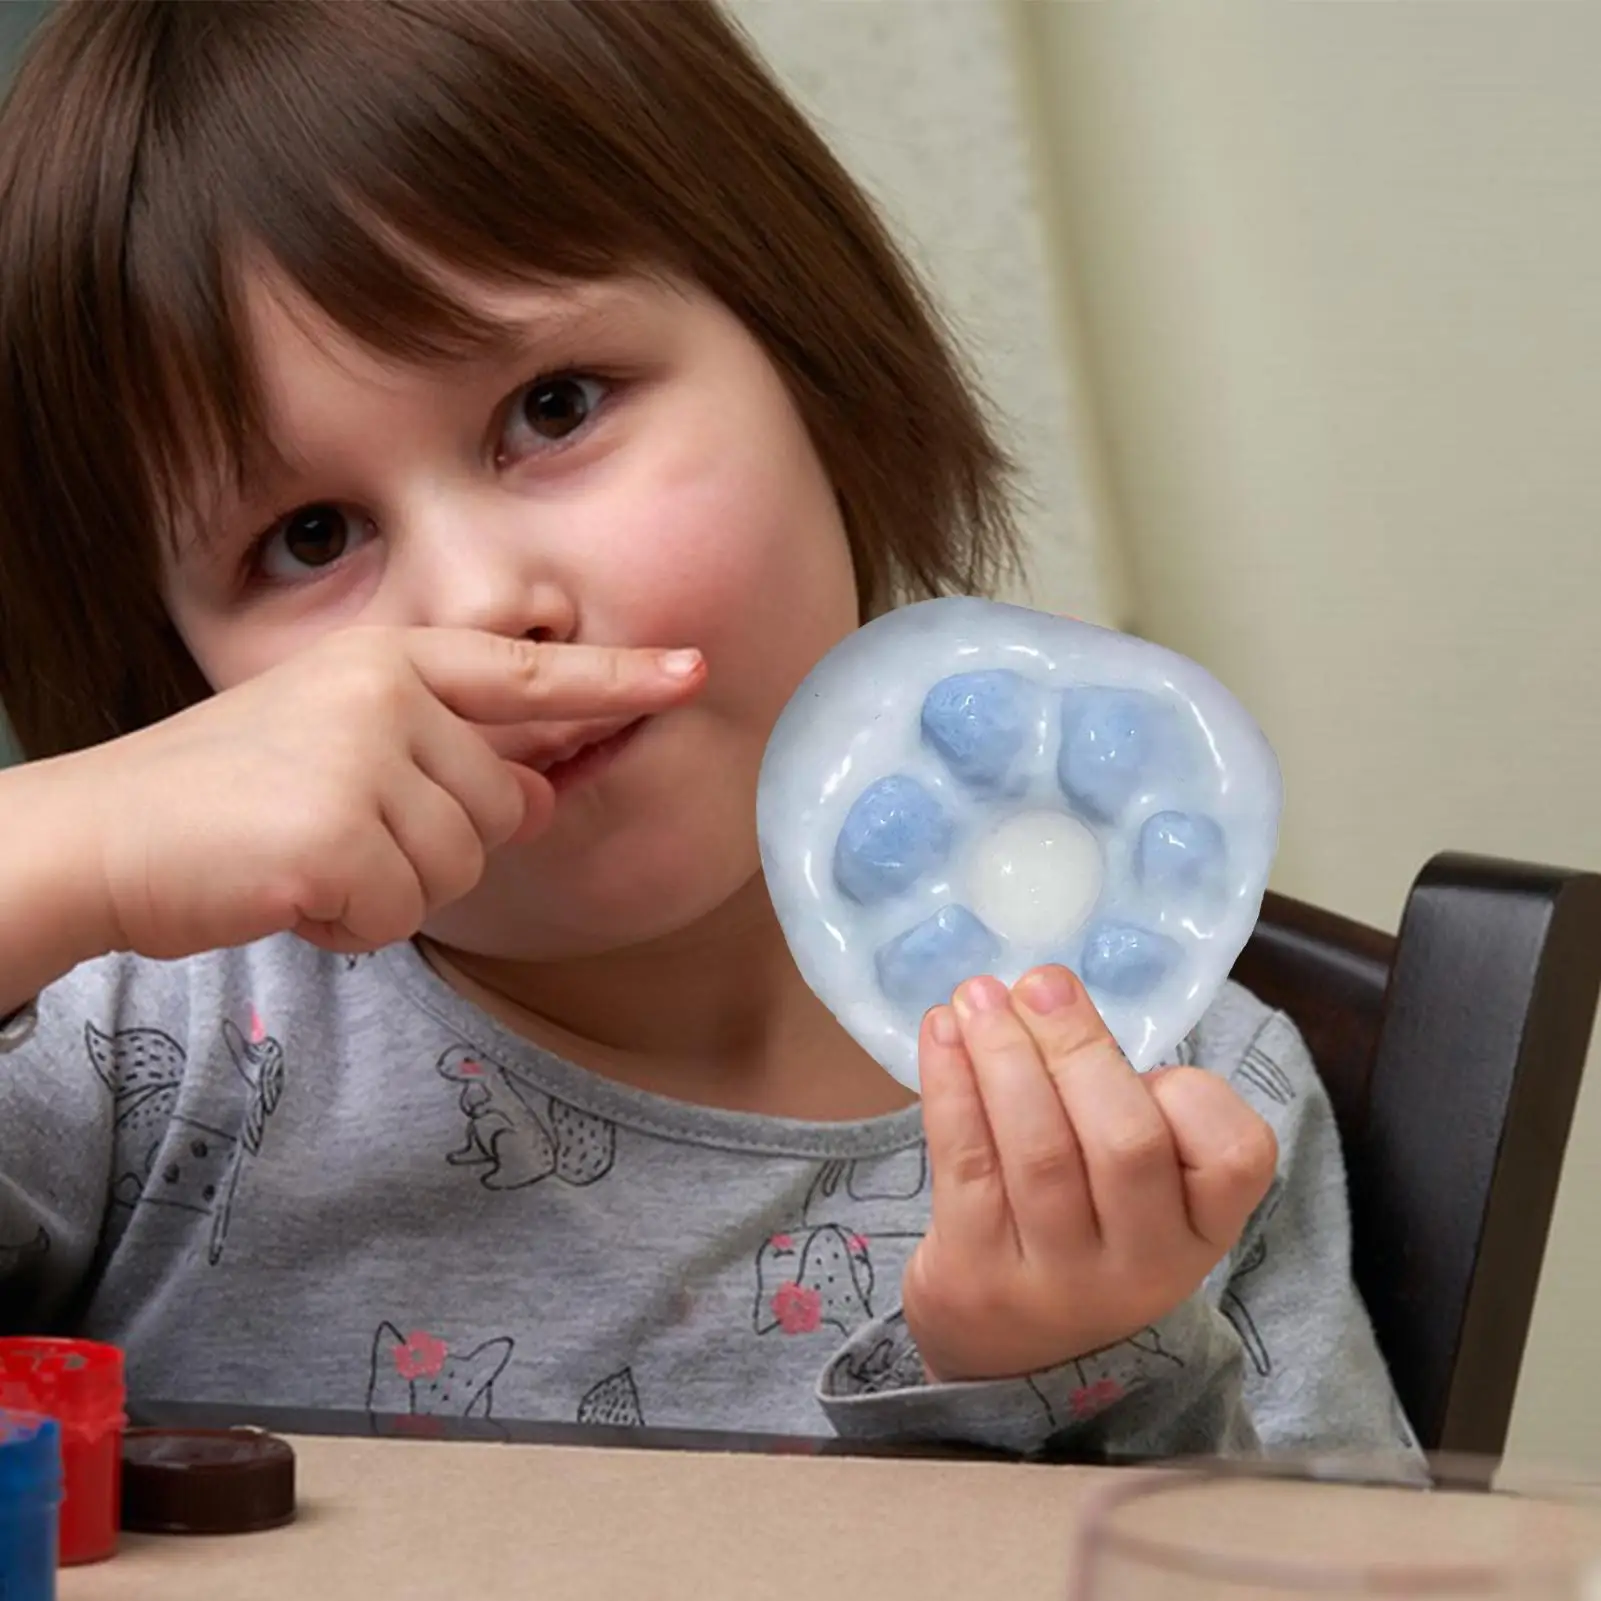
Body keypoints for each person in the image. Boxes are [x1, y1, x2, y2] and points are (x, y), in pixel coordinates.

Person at [0, 0, 1414, 1457]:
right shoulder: (127, 1036)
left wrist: (1069, 1372)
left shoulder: (1174, 1109)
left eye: (552, 407)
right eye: (307, 538)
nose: (486, 601)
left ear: (811, 354)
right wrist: (31, 848)